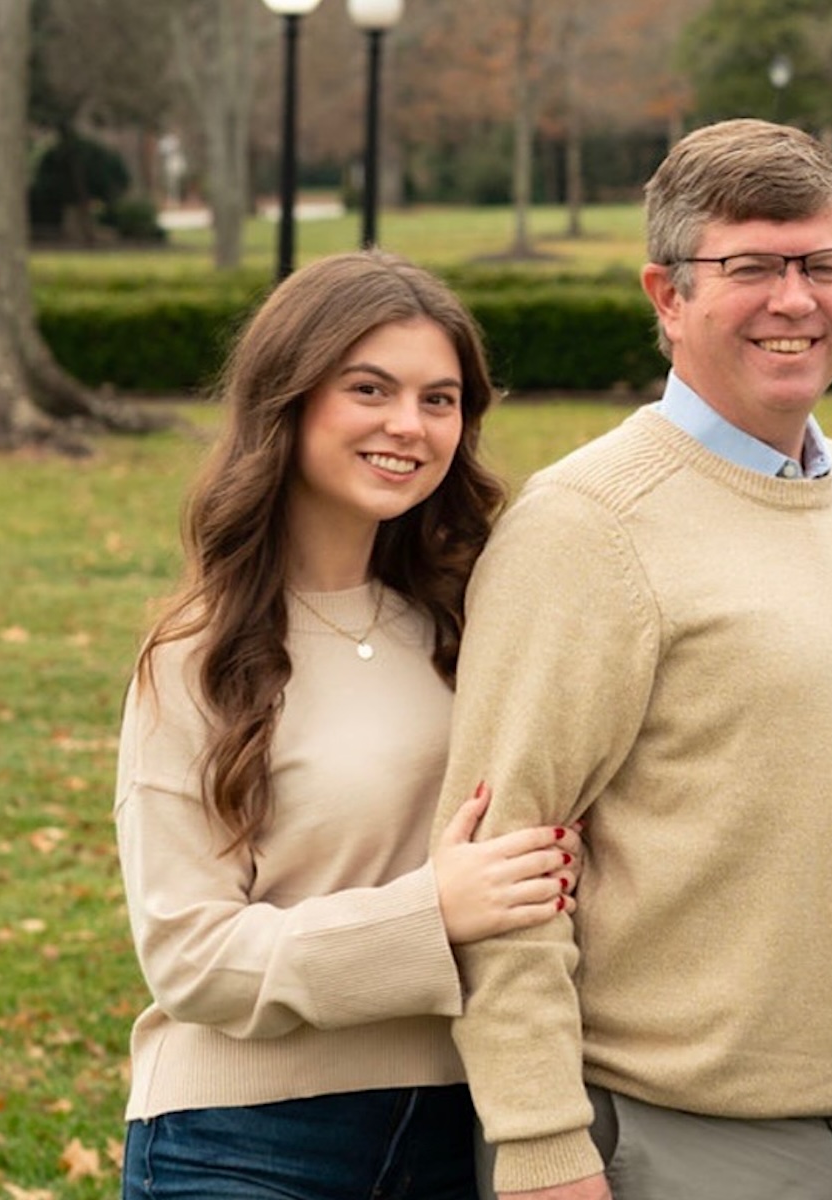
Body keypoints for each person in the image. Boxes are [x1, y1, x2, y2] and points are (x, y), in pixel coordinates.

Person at [429, 118, 832, 1200]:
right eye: (750, 267)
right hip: (659, 1146)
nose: (795, 300)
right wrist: (539, 1151)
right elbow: (501, 855)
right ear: (667, 295)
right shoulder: (586, 528)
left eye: (823, 264)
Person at [115, 250, 581, 1200]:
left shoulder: (474, 622)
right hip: (243, 1143)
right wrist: (430, 913)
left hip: (464, 1126)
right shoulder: (193, 655)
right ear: (289, 402)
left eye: (440, 399)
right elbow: (188, 959)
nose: (408, 426)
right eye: (369, 389)